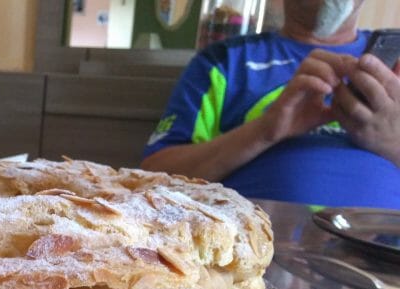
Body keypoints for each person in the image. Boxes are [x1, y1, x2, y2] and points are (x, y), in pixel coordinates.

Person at [139, 0, 400, 208]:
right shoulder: (224, 61)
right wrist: (265, 129)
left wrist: (392, 141)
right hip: (256, 256)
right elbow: (152, 177)